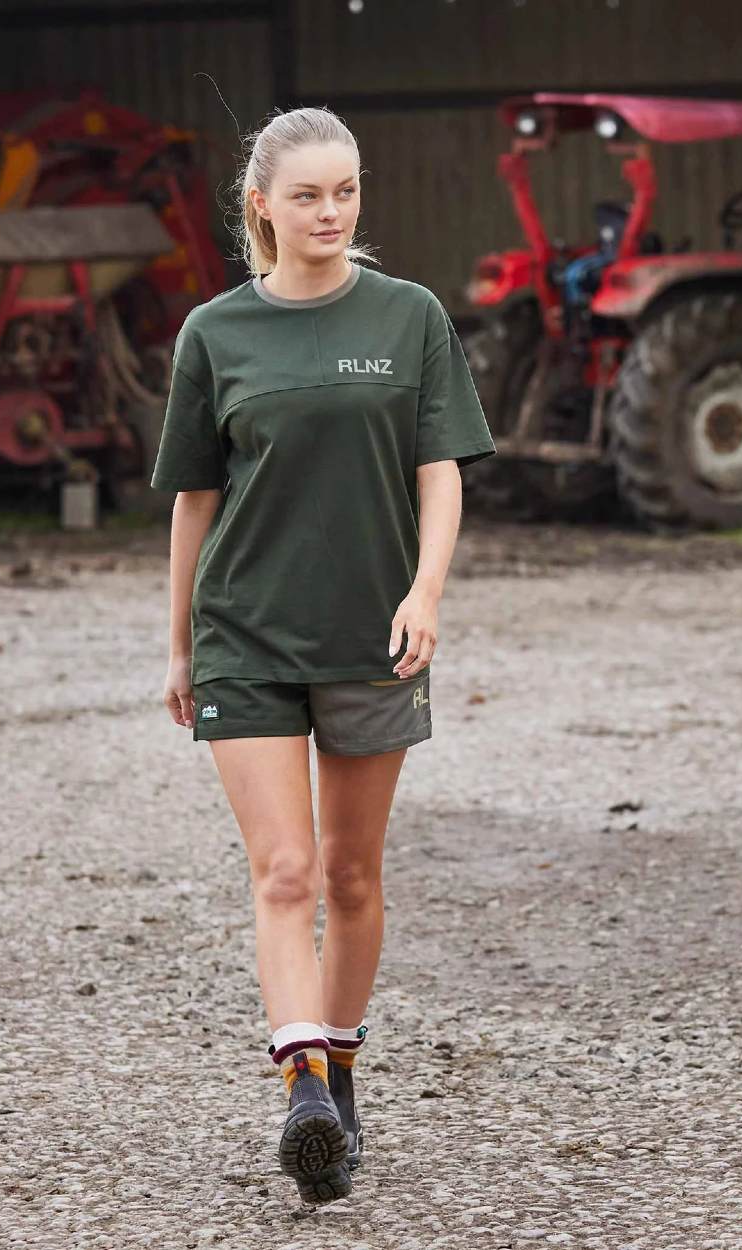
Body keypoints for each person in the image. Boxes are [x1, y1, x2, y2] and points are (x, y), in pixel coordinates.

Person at [150, 105, 495, 1206]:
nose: (330, 212)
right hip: (245, 630)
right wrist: (178, 643)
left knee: (350, 874)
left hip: (370, 632)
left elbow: (440, 466)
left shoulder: (410, 318)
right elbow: (196, 498)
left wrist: (426, 589)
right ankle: (301, 1081)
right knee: (283, 871)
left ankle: (338, 1063)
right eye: (307, 195)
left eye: (345, 191)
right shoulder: (215, 333)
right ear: (263, 206)